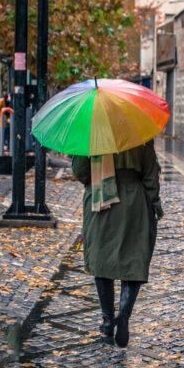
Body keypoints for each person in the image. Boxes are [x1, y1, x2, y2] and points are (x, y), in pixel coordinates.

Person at [71, 141, 163, 348]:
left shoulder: (92, 133)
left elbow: (81, 172)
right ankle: (123, 314)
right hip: (134, 202)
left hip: (101, 200)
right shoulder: (139, 132)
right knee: (134, 259)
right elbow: (150, 174)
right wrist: (155, 205)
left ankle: (107, 322)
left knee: (101, 260)